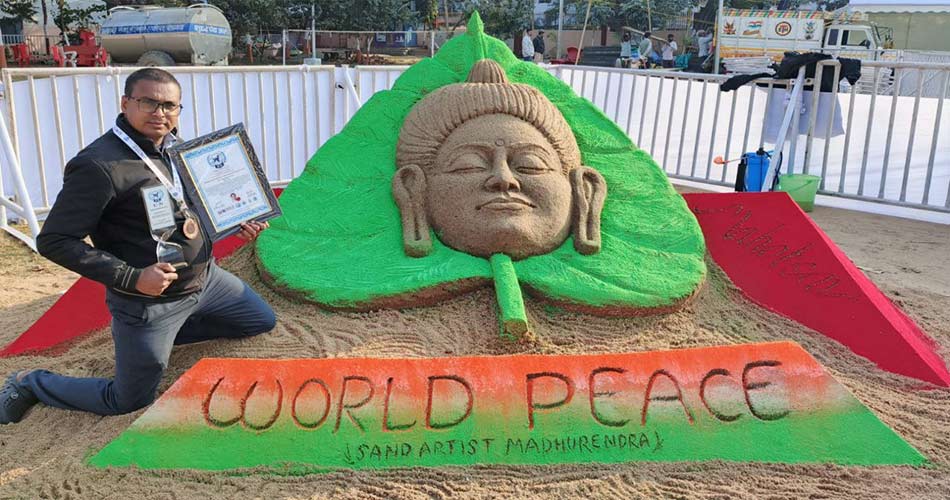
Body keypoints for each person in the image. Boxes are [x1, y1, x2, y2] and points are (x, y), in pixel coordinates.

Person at [0, 68, 277, 425]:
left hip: (206, 282)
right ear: (125, 103)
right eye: (149, 102)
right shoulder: (98, 165)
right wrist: (133, 278)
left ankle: (161, 337)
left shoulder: (176, 147)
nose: (160, 113)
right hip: (149, 302)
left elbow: (187, 206)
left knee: (260, 320)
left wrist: (234, 221)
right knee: (127, 400)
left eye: (169, 105)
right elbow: (54, 241)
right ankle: (31, 382)